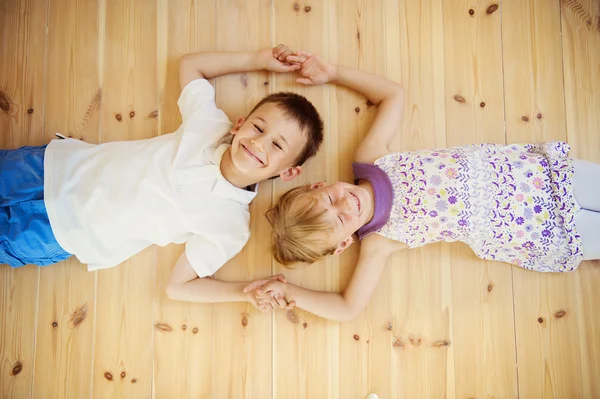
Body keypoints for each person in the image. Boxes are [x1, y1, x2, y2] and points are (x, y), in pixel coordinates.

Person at [244, 51, 599, 321]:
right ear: (343, 245)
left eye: (330, 198)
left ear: (320, 183)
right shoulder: (380, 242)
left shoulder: (370, 160)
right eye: (339, 220)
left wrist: (333, 73)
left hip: (535, 174)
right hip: (533, 228)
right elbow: (348, 308)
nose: (345, 203)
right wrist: (290, 292)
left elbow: (392, 95)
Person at [0, 44, 323, 310]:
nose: (258, 142)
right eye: (258, 127)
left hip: (63, 232)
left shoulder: (230, 227)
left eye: (277, 145)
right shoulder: (210, 125)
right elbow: (191, 66)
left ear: (288, 172)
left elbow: (179, 287)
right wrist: (255, 60)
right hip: (53, 167)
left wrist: (243, 291)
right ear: (239, 124)